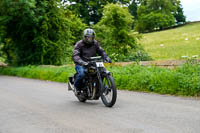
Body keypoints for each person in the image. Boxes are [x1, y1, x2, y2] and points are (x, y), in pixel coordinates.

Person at [72, 28, 111, 93]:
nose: (90, 39)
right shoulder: (79, 44)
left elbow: (101, 51)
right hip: (82, 63)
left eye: (91, 37)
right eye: (88, 37)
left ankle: (100, 87)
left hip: (93, 63)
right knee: (82, 74)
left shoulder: (95, 43)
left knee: (102, 71)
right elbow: (75, 55)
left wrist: (106, 57)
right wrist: (80, 61)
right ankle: (77, 87)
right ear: (84, 37)